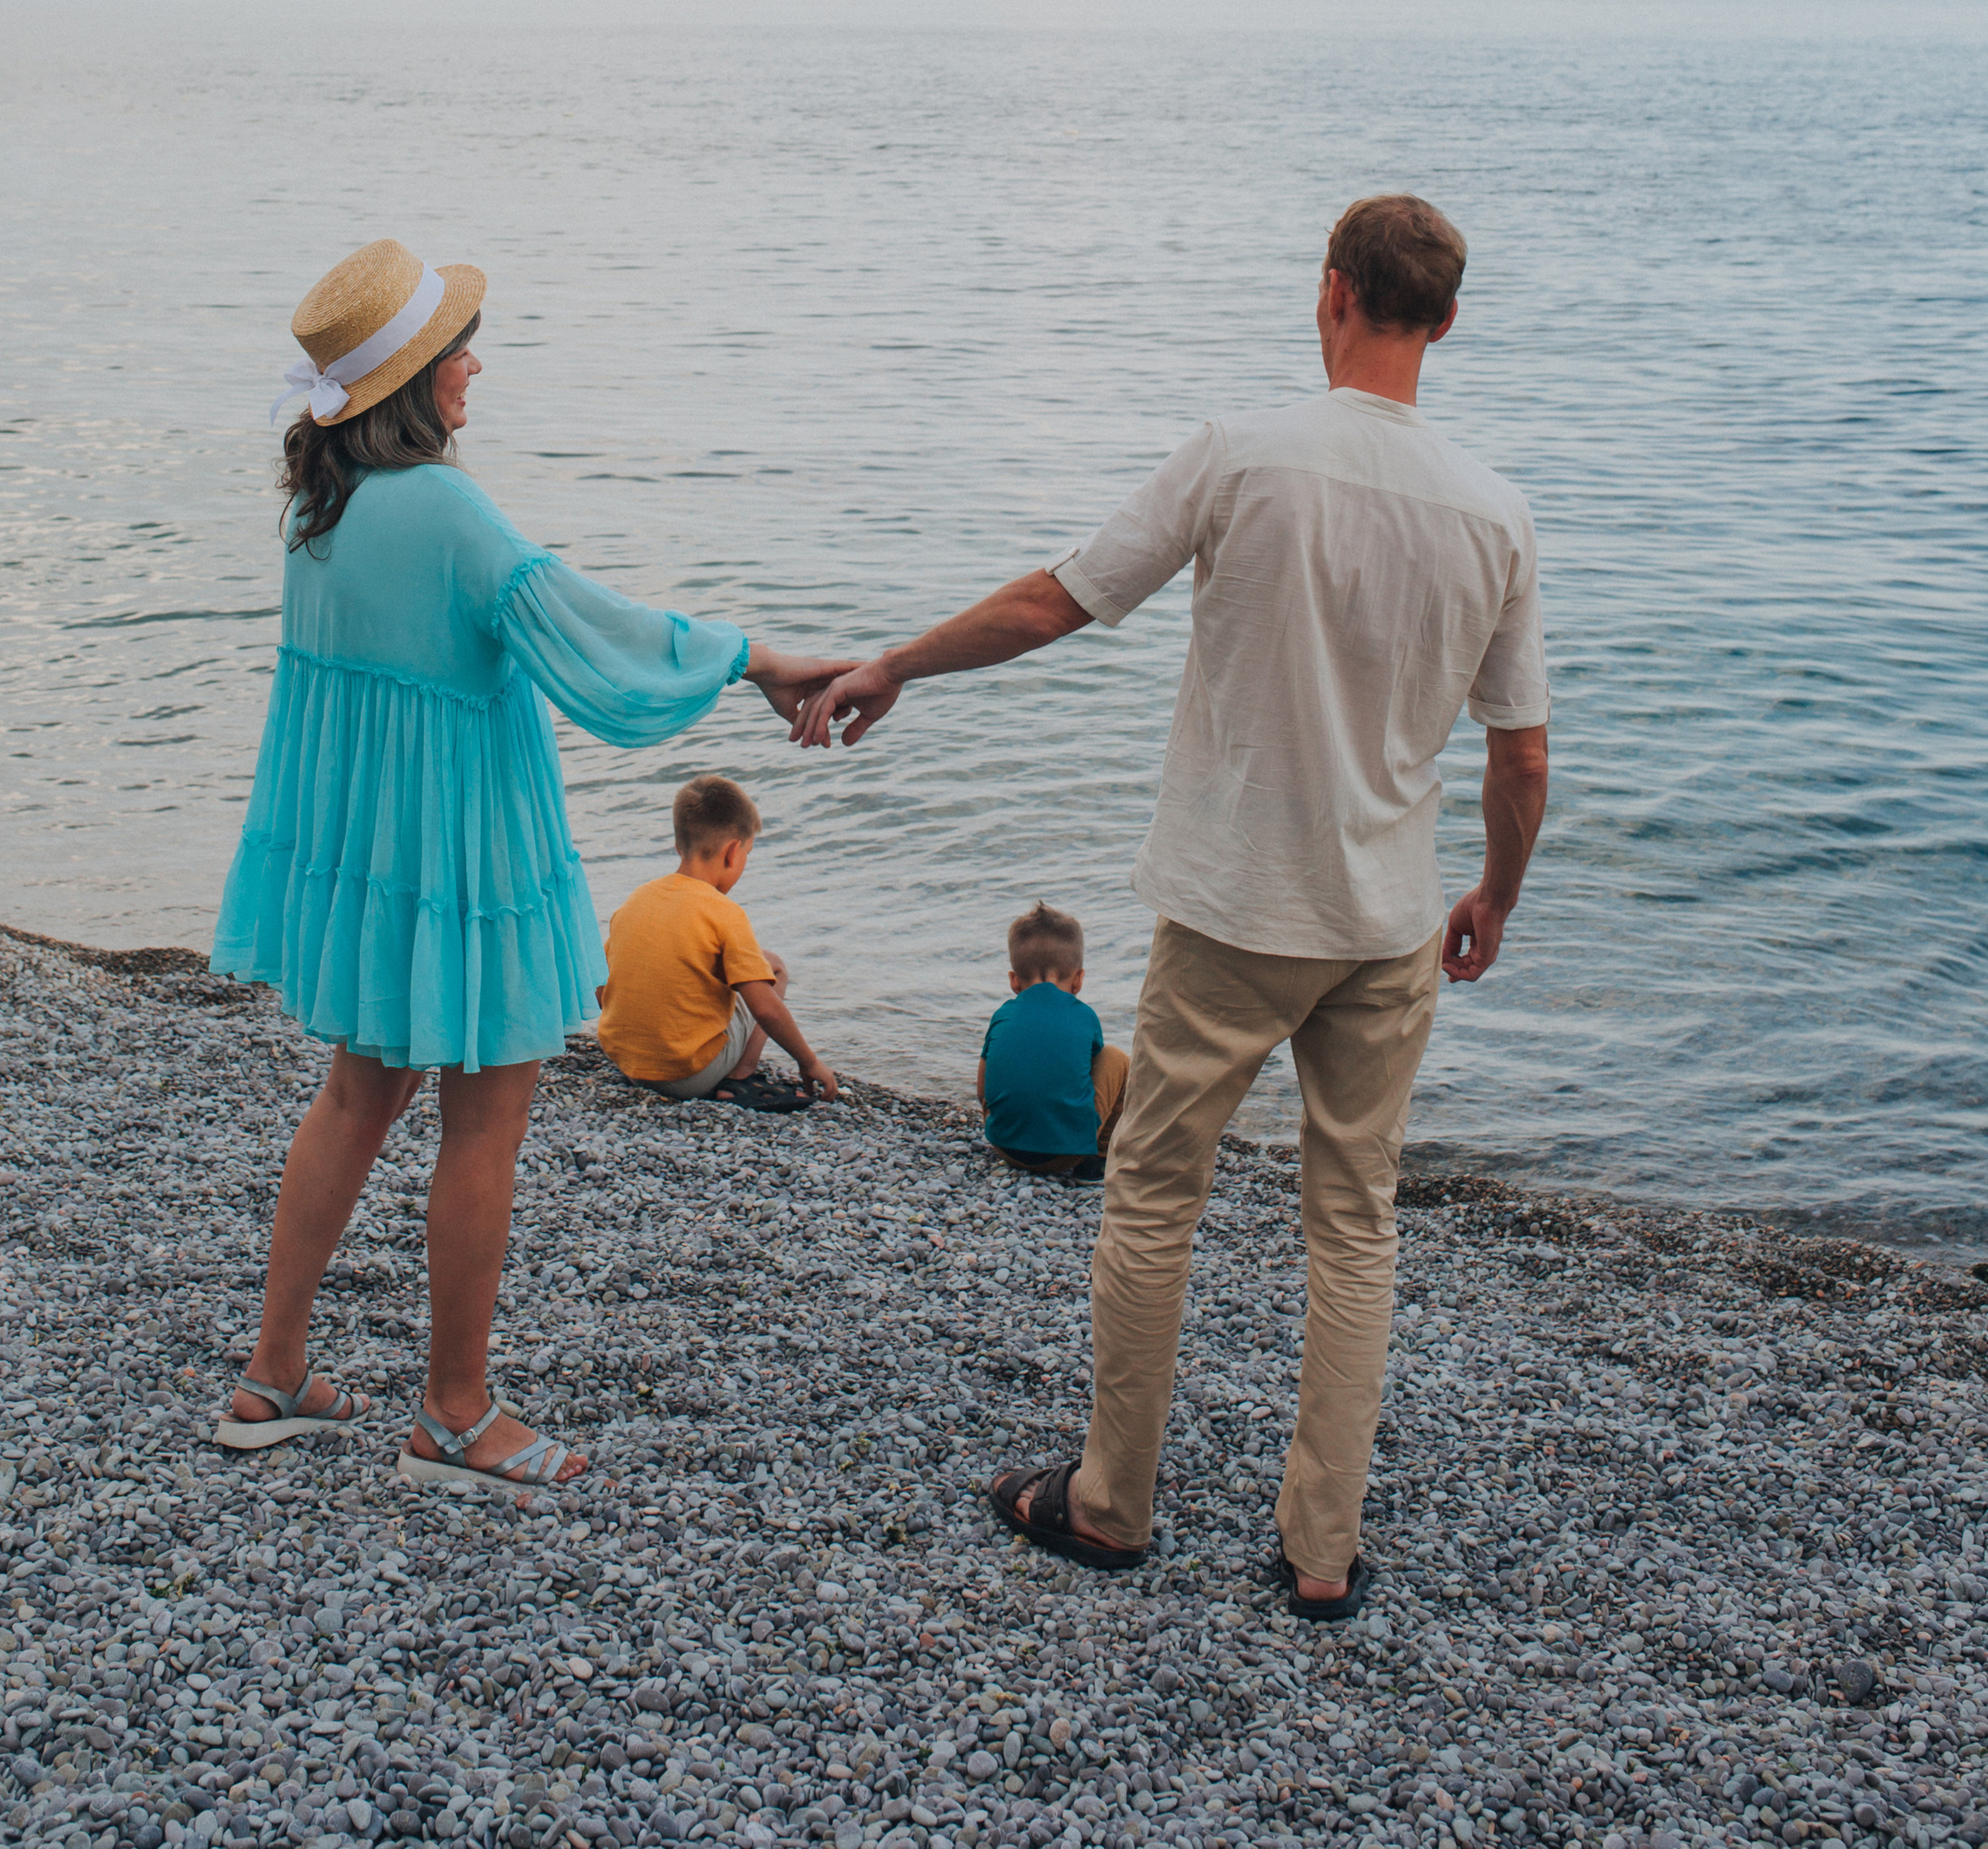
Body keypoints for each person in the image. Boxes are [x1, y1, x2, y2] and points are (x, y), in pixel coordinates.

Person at [793, 193, 1549, 1615]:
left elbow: (1055, 605)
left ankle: (1113, 1506)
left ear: (1328, 292)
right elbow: (1522, 755)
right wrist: (1493, 901)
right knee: (1357, 1222)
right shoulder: (1495, 513)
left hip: (1232, 911)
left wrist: (896, 663)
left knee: (1155, 1197)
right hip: (1387, 923)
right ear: (1443, 322)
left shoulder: (1242, 455)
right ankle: (1322, 1557)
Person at [208, 239, 849, 1496]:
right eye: (459, 351)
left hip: (370, 859)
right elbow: (585, 630)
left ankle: (272, 1376)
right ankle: (453, 1417)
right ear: (412, 379)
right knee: (484, 1126)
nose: (474, 365)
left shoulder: (313, 508)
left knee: (353, 1098)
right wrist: (753, 659)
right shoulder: (443, 507)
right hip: (465, 855)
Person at [597, 772, 840, 1109]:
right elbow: (767, 1011)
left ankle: (653, 1052)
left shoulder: (638, 899)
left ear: (679, 844)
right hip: (688, 1077)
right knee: (774, 969)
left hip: (629, 1064)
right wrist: (809, 1062)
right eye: (748, 854)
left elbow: (601, 985)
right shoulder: (723, 912)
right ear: (732, 852)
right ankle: (740, 1078)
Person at [979, 899, 1129, 1181]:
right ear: (1078, 980)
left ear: (1014, 981)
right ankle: (1096, 1159)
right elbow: (1090, 1067)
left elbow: (981, 1089)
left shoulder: (1002, 1015)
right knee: (1115, 1058)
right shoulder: (1085, 1016)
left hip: (1004, 1146)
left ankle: (1017, 1128)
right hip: (1065, 1155)